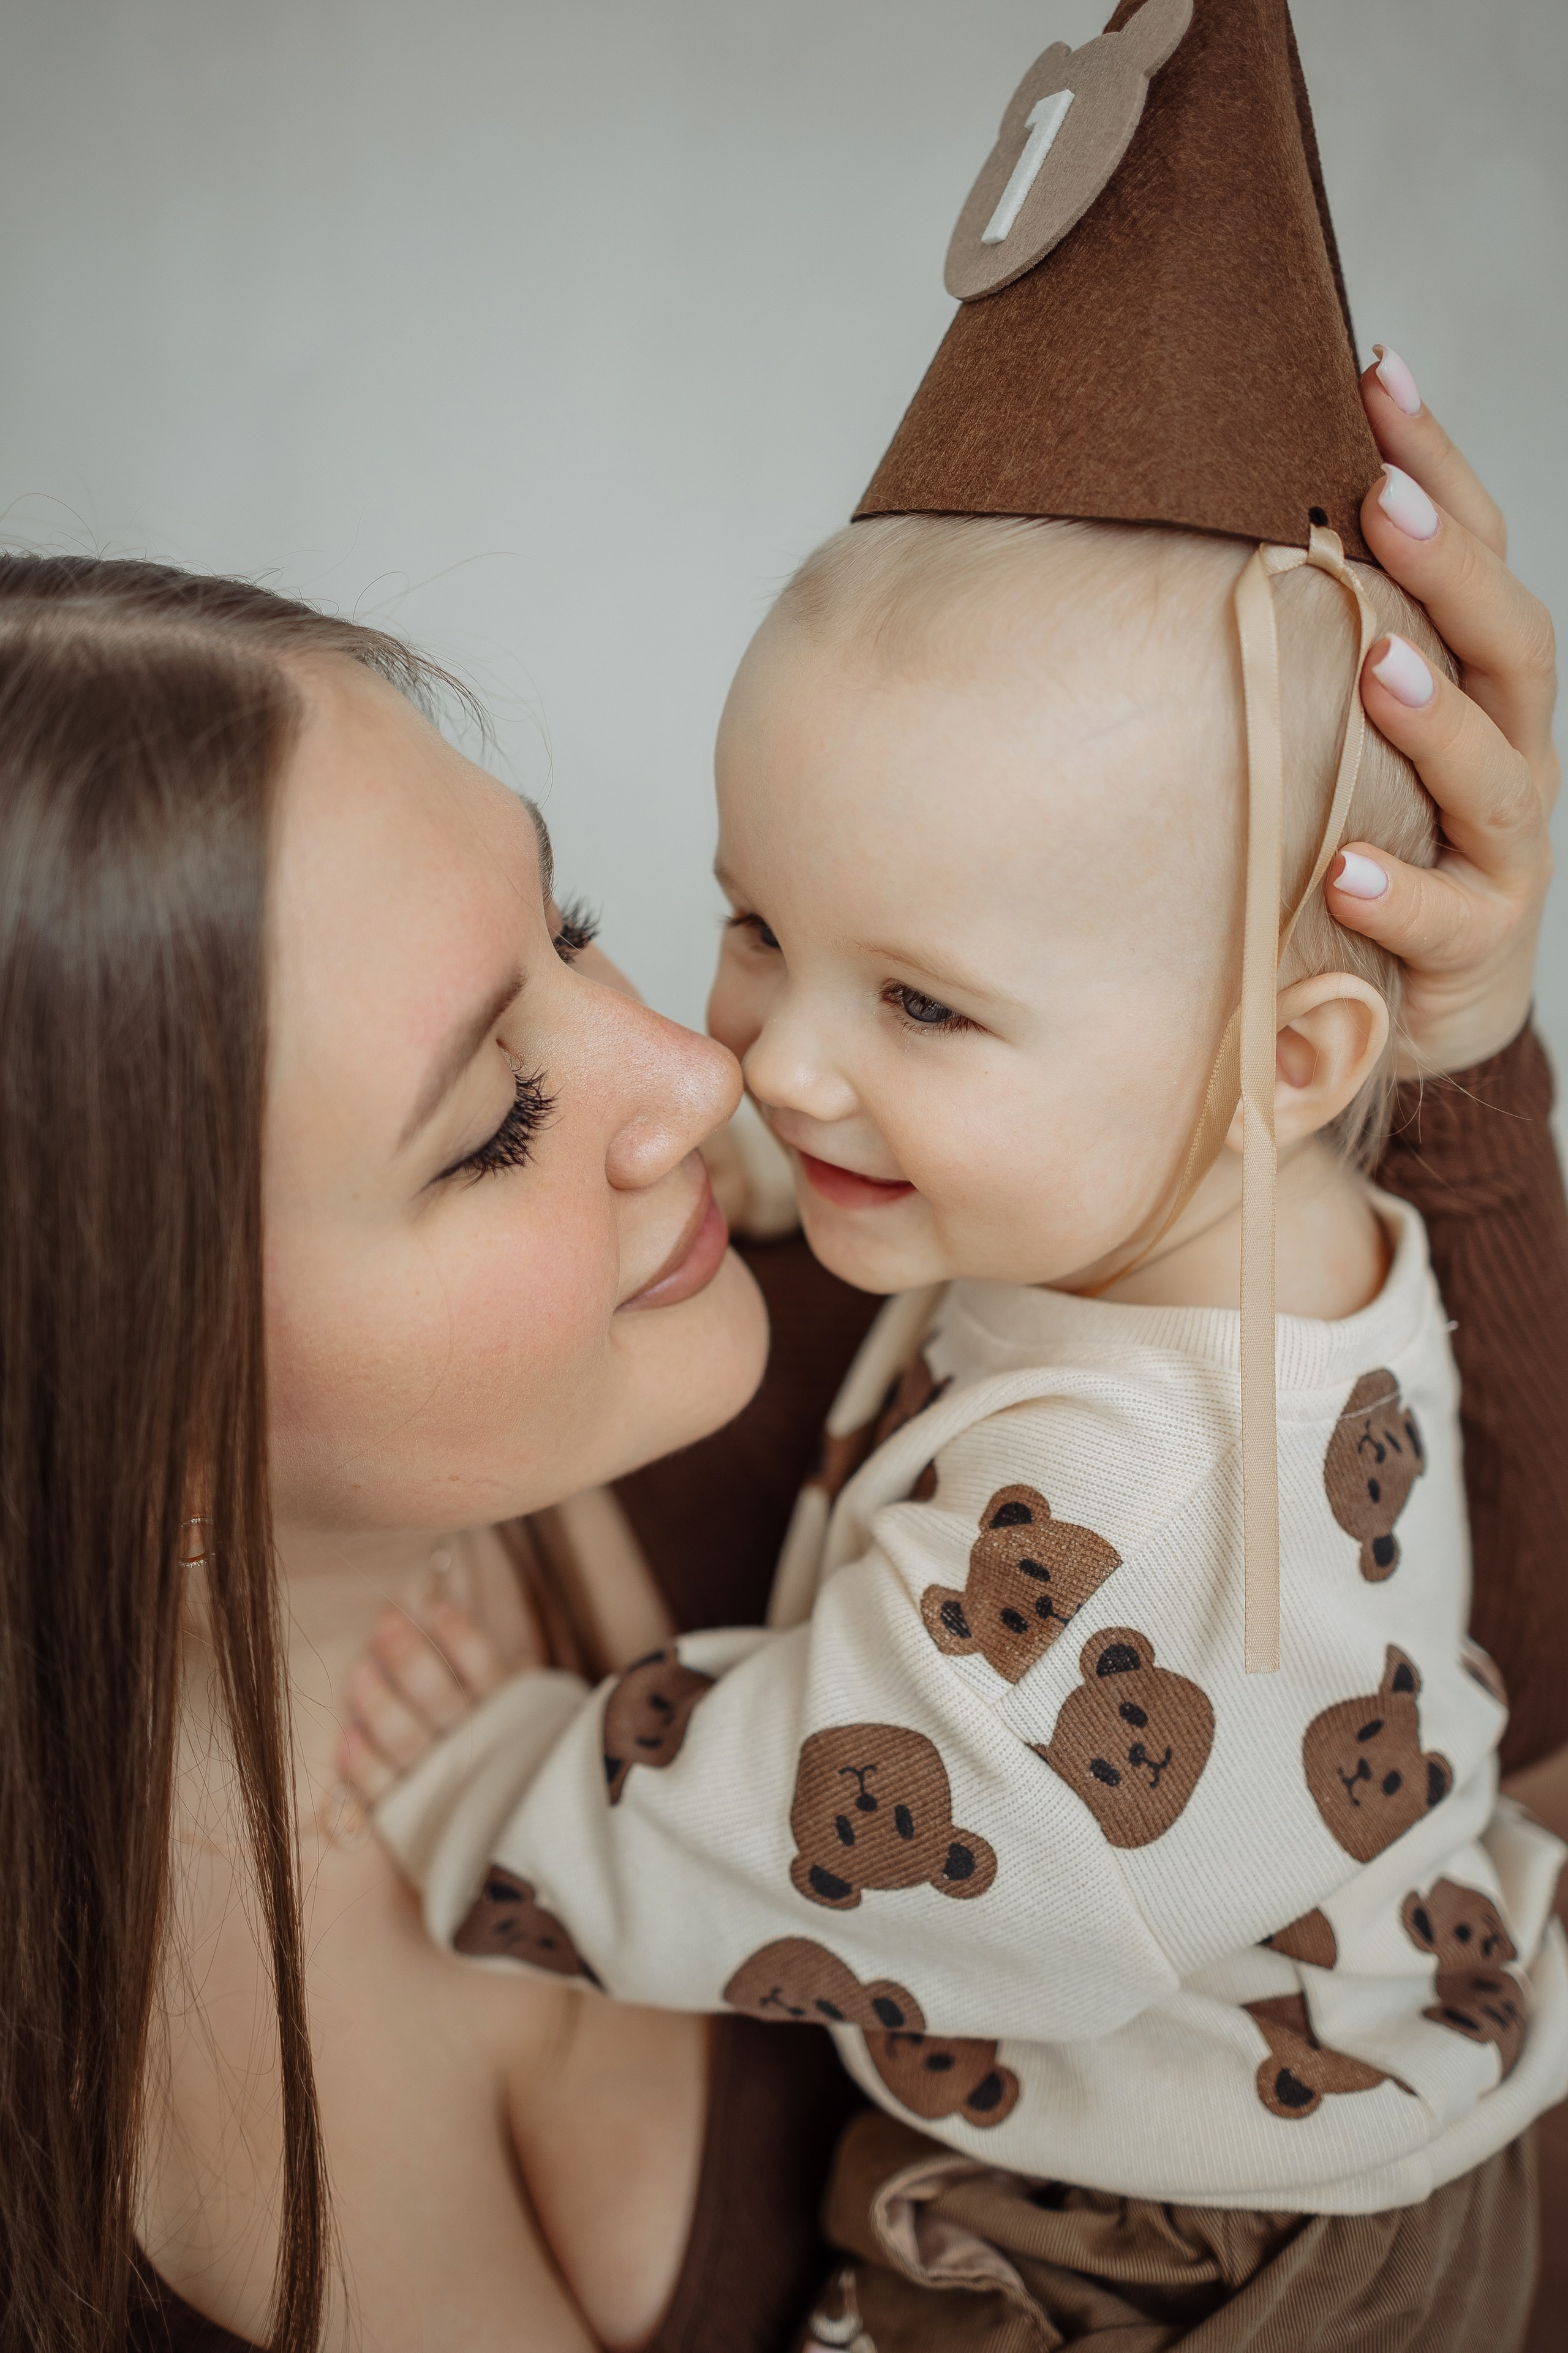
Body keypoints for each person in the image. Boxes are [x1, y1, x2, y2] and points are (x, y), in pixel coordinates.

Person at [336, 6, 1568, 2349]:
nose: (770, 1058)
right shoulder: (1229, 1224)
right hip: (1375, 2078)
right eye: (756, 923)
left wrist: (506, 1785)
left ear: (1294, 1055)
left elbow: (845, 1819)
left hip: (1211, 2245)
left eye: (921, 1003)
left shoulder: (1138, 1497)